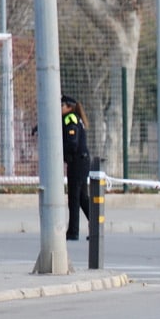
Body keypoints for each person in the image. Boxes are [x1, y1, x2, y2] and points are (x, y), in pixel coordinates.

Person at [61, 95, 91, 240]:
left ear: (68, 107)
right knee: (82, 197)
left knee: (74, 197)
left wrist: (61, 152)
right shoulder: (71, 118)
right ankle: (96, 227)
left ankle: (73, 232)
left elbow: (72, 143)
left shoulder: (70, 119)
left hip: (77, 162)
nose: (59, 108)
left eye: (61, 105)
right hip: (81, 161)